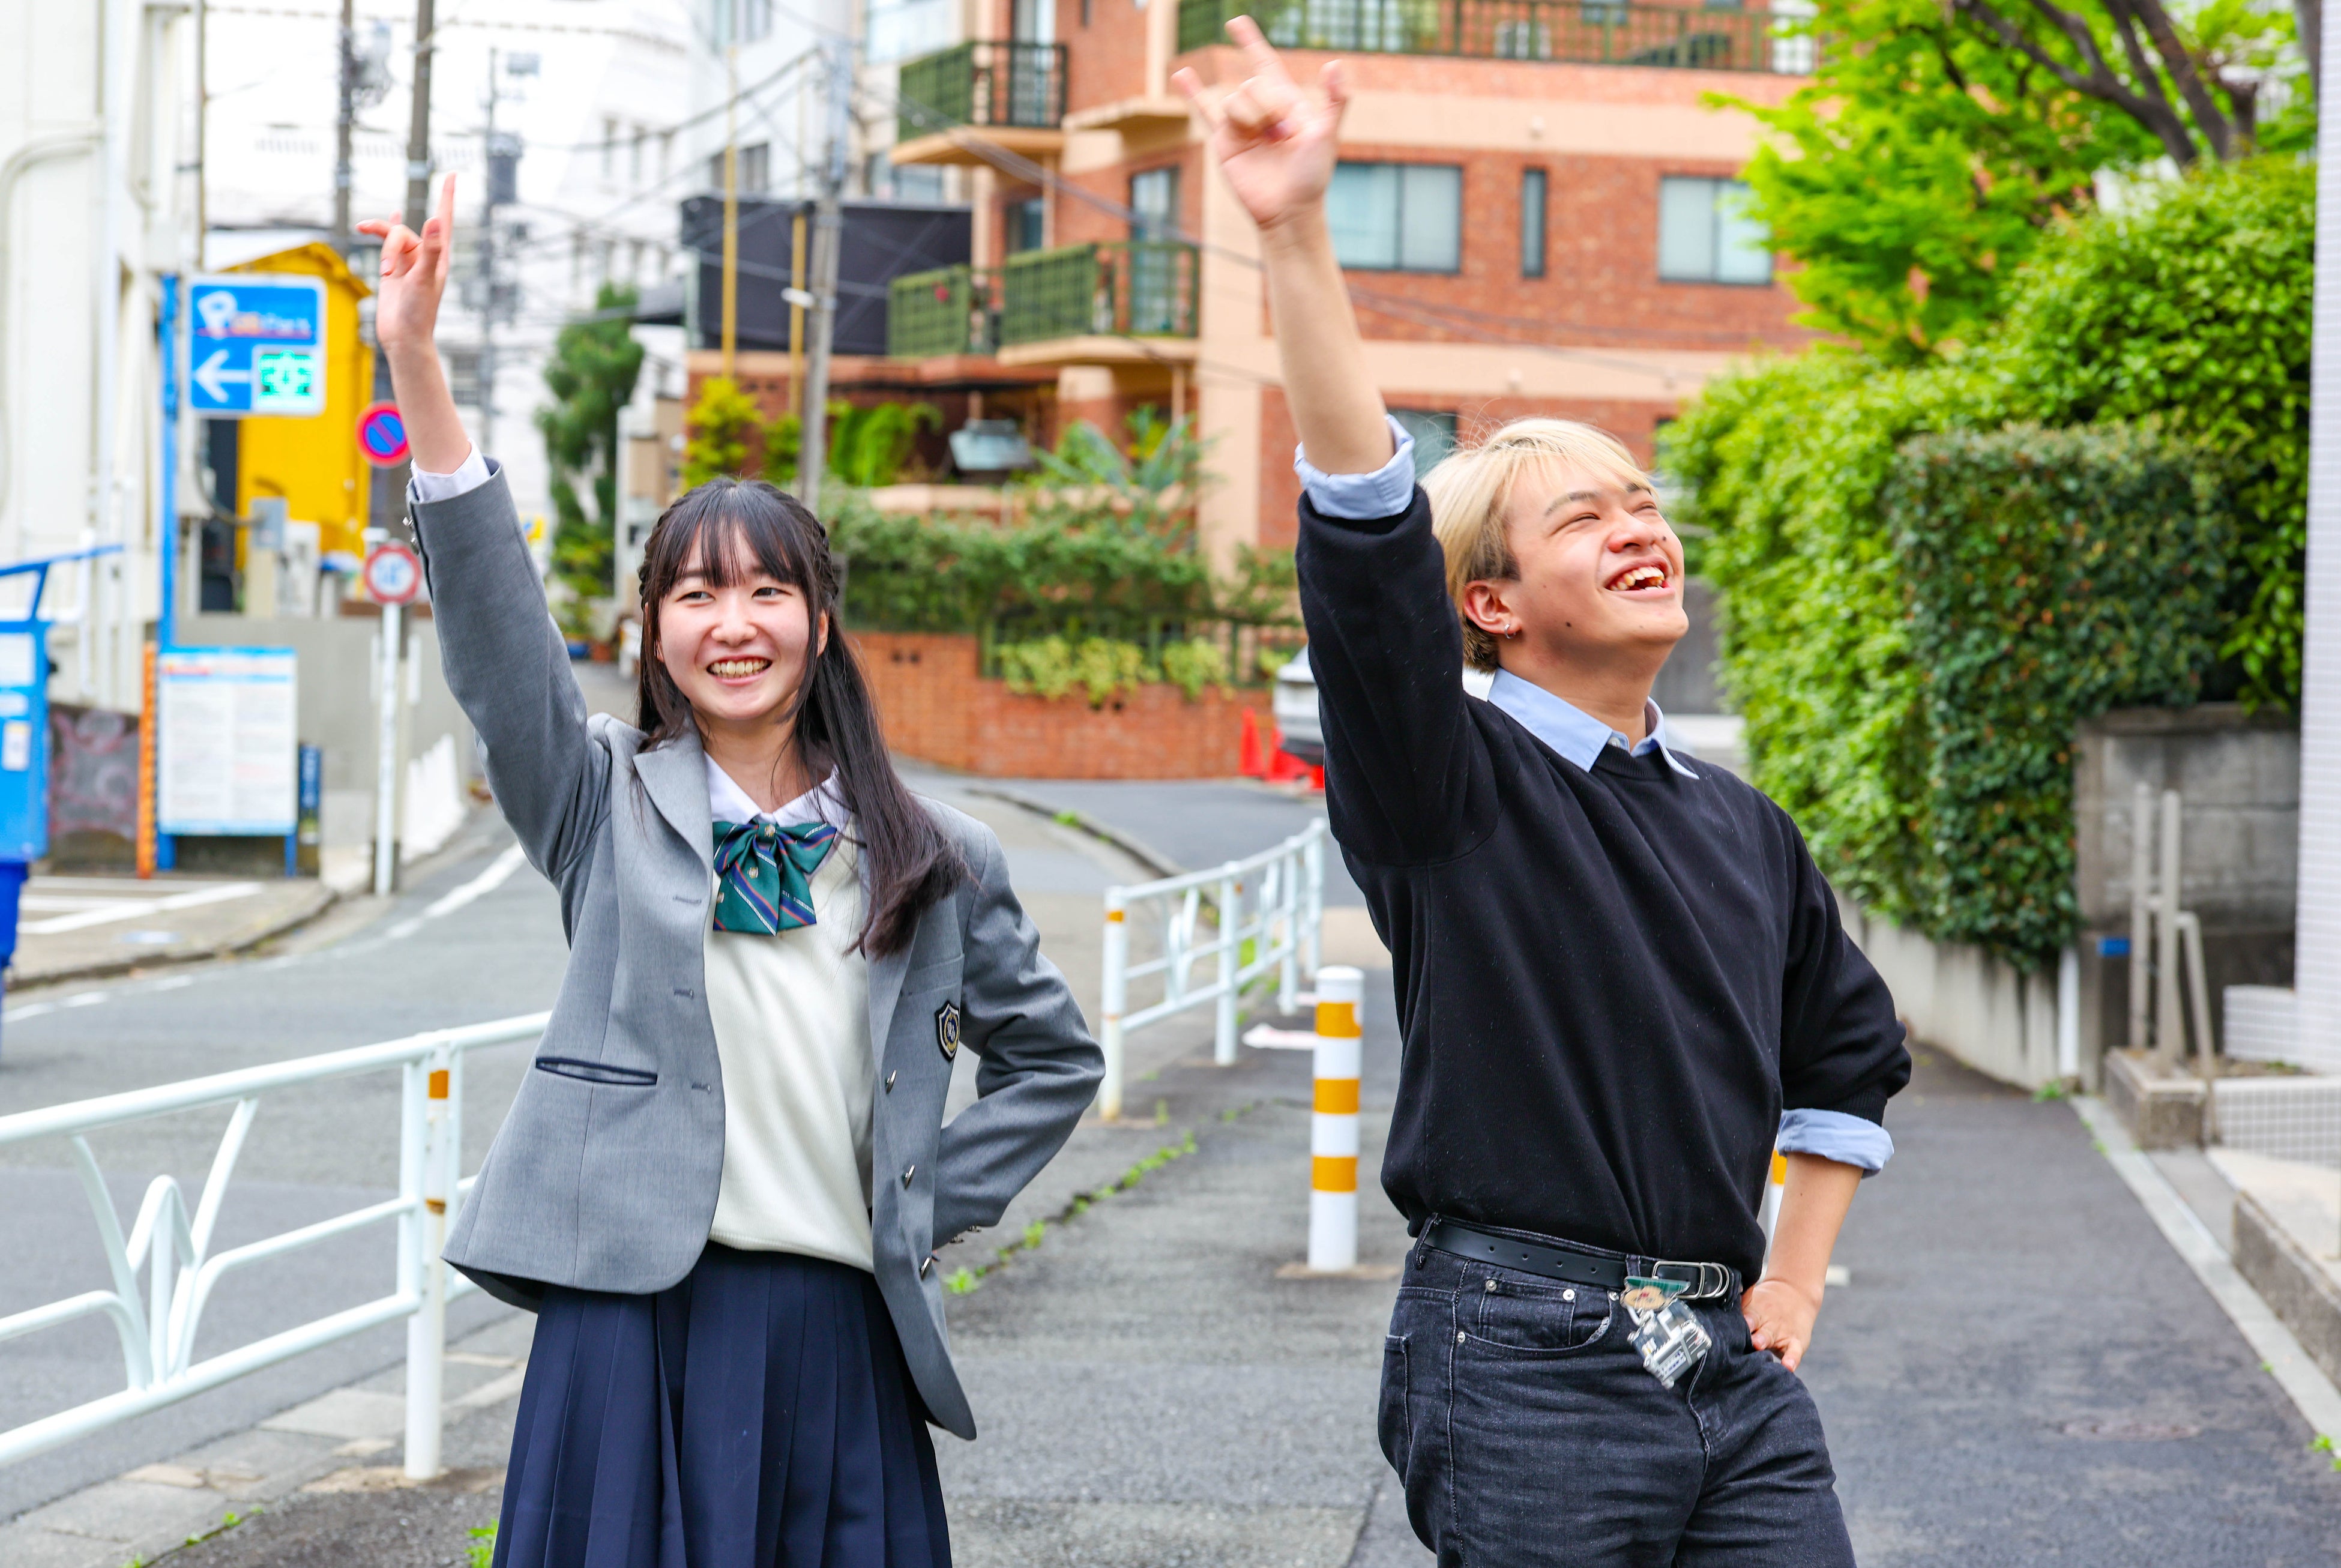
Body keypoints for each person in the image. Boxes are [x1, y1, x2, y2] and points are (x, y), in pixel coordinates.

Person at [1175, 23, 1911, 1566]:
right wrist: (1297, 233)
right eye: (1584, 518)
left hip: (1724, 1360)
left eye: (1645, 502)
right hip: (1519, 1352)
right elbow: (1366, 538)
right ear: (1491, 604)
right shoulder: (1445, 782)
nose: (1640, 527)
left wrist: (1792, 1276)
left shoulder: (1741, 824)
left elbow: (1847, 1053)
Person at [358, 183, 1103, 1568]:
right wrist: (415, 359)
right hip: (625, 1323)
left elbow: (1054, 1062)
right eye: (695, 593)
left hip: (840, 1331)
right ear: (652, 631)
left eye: (767, 590)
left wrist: (921, 1195)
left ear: (820, 622)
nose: (733, 622)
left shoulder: (936, 855)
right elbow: (498, 640)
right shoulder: (598, 801)